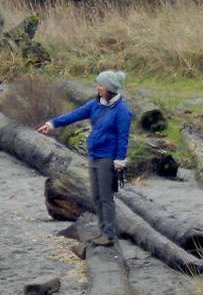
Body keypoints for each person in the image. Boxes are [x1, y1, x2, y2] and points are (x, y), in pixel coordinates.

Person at [37, 71, 132, 246]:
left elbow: (123, 137)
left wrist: (120, 160)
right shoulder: (96, 104)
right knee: (96, 197)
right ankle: (103, 230)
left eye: (101, 85)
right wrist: (52, 123)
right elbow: (75, 114)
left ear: (110, 88)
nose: (98, 88)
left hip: (108, 158)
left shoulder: (122, 111)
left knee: (105, 197)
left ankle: (109, 235)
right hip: (94, 155)